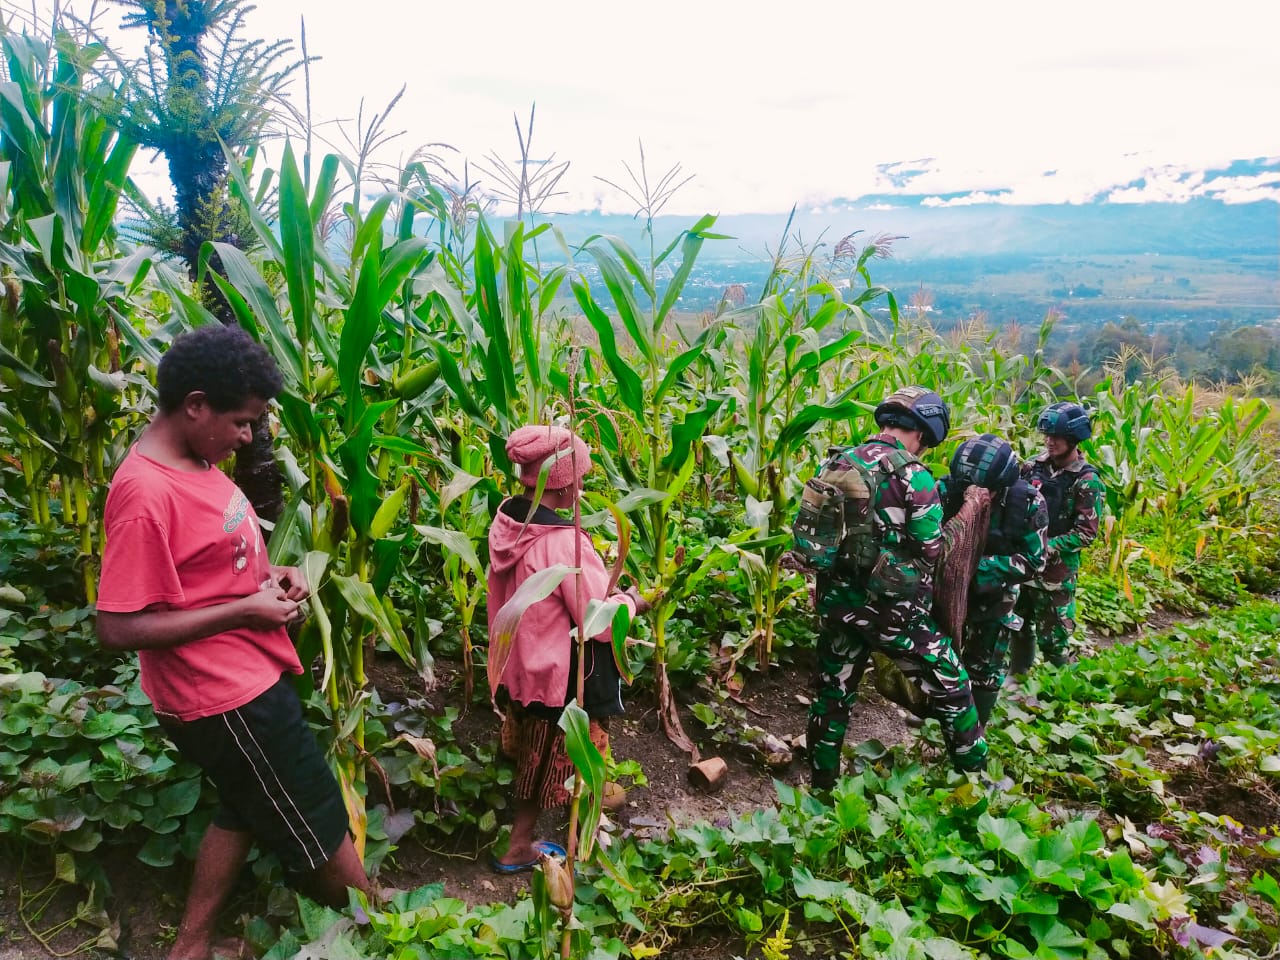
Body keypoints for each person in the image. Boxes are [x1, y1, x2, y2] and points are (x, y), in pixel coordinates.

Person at [95, 325, 368, 960]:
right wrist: (245, 610)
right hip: (222, 696)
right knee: (315, 816)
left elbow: (207, 568)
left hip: (245, 674)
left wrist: (266, 578)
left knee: (243, 803)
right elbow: (117, 626)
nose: (249, 437)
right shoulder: (145, 493)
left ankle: (190, 946)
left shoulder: (196, 459)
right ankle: (383, 924)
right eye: (242, 422)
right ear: (195, 405)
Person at [802, 386, 988, 790]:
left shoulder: (835, 461)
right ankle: (974, 774)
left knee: (832, 695)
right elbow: (930, 547)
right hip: (892, 611)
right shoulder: (913, 475)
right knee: (953, 684)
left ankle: (821, 785)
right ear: (923, 432)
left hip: (837, 603)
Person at [486, 424, 648, 872]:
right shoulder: (563, 544)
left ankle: (588, 802)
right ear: (564, 483)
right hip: (559, 677)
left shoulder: (509, 524)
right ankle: (529, 844)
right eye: (578, 477)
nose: (582, 485)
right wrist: (633, 601)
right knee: (552, 756)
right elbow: (597, 622)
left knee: (533, 753)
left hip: (521, 667)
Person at [941, 435, 1048, 724]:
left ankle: (974, 730)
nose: (973, 494)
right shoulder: (946, 490)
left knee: (984, 667)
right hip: (947, 590)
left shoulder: (1026, 502)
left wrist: (979, 566)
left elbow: (1034, 561)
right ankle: (940, 715)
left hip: (995, 593)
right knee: (940, 657)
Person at [1010, 402, 1106, 671]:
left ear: (1073, 438)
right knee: (1018, 626)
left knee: (1054, 639)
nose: (1050, 442)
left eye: (1057, 437)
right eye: (1047, 436)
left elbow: (1086, 533)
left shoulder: (1086, 481)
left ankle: (1058, 696)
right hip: (1024, 567)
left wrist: (1048, 546)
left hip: (1056, 576)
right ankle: (1018, 681)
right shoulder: (1031, 469)